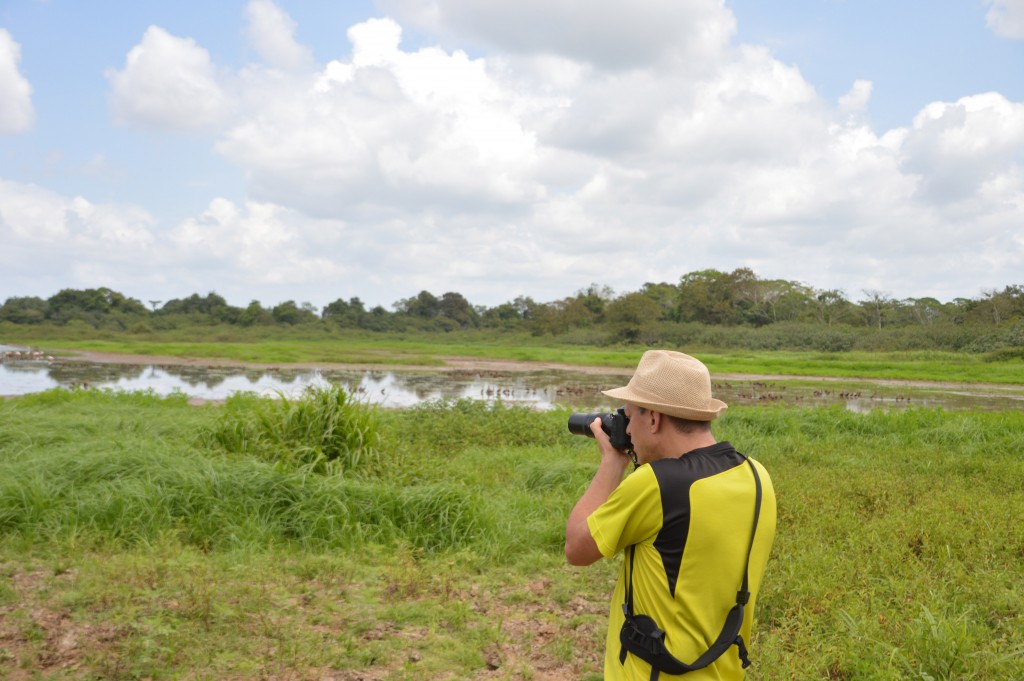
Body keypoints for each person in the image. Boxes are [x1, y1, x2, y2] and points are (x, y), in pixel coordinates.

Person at [565, 350, 776, 680]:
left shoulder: (656, 484)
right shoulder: (755, 475)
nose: (628, 429)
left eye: (630, 416)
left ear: (653, 418)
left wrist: (612, 463)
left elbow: (577, 549)